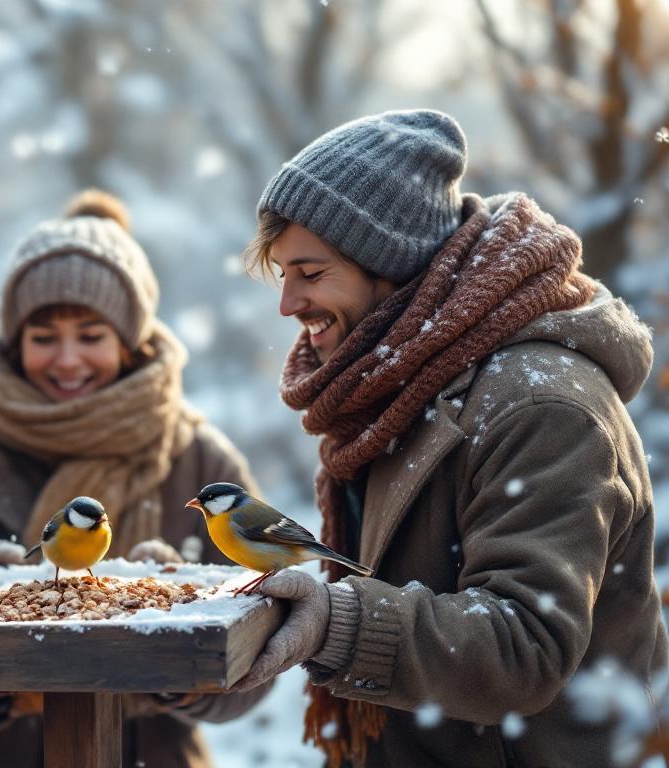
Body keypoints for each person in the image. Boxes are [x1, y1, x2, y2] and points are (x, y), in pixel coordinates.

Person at [233, 109, 667, 767]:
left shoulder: (542, 407)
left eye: (311, 273)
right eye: (283, 274)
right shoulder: (401, 384)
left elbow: (523, 649)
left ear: (391, 262)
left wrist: (340, 621)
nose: (287, 305)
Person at [0, 190, 270, 768]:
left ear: (132, 343)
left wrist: (178, 647)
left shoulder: (201, 467)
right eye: (44, 338)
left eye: (91, 336)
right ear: (16, 346)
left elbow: (259, 656)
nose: (67, 360)